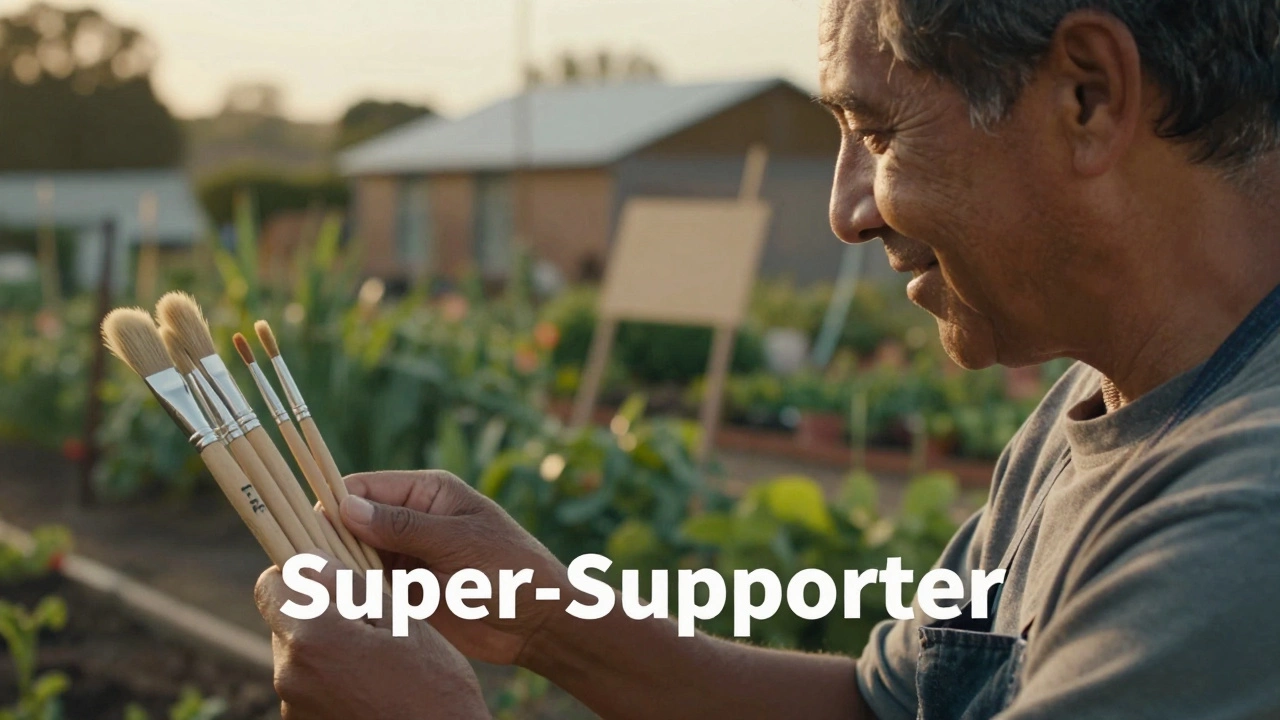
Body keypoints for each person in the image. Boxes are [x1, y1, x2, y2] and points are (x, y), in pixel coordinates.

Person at [254, 0, 1280, 717]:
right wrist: (545, 621)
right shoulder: (1094, 413)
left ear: (1088, 96)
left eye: (877, 132)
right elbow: (882, 709)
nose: (845, 211)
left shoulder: (1242, 525)